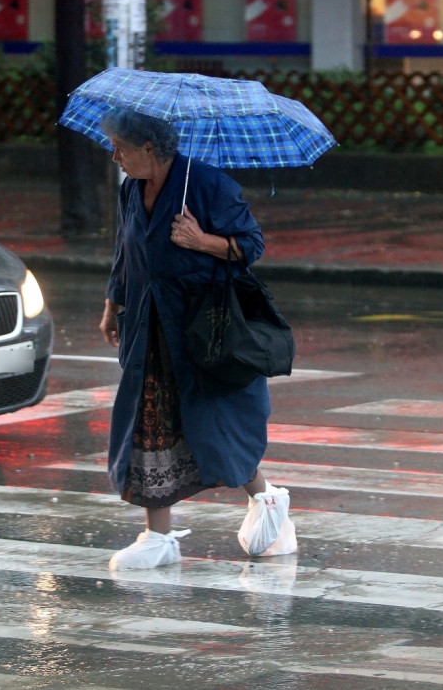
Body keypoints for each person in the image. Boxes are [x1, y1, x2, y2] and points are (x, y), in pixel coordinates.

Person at [98, 108, 295, 570]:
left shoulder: (208, 185)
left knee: (215, 423)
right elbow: (125, 252)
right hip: (149, 327)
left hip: (201, 332)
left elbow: (251, 245)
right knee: (150, 426)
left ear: (148, 149)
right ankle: (158, 536)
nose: (115, 157)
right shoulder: (131, 188)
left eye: (121, 148)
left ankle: (267, 500)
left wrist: (202, 240)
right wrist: (113, 303)